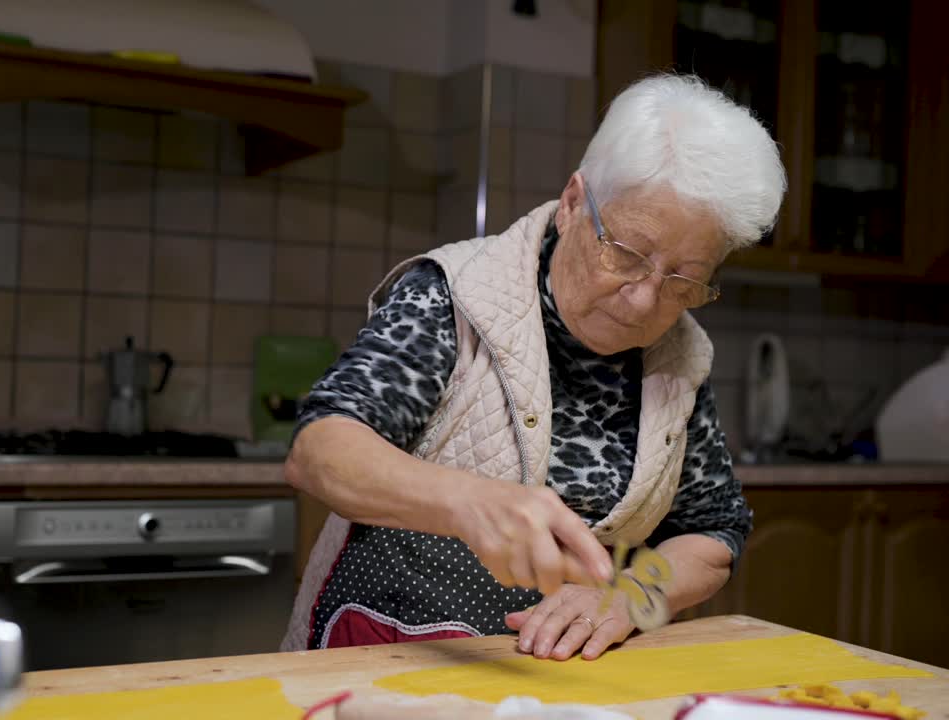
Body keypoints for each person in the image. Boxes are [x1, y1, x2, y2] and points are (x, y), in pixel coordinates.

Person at [281, 73, 786, 661]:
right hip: (384, 652)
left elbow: (712, 533)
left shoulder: (681, 355)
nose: (646, 300)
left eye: (684, 280)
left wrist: (630, 597)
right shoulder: (456, 295)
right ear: (574, 203)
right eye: (626, 254)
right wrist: (468, 502)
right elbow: (319, 451)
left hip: (561, 682)